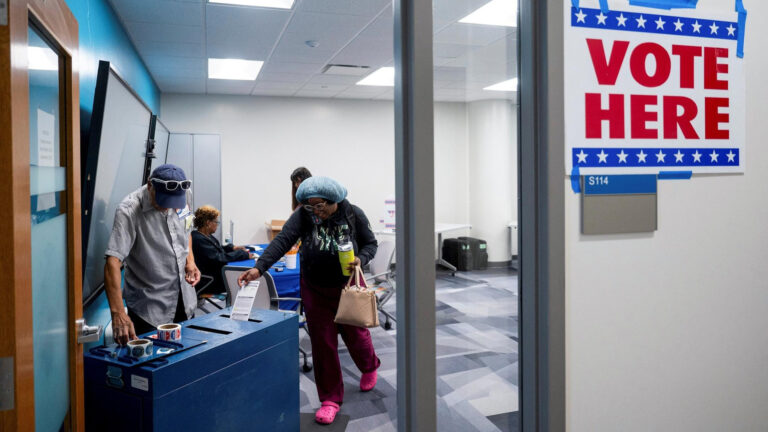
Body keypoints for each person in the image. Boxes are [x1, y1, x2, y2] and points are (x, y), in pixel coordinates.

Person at [238, 176, 379, 425]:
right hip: (315, 288)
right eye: (310, 205)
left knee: (356, 335)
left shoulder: (353, 214)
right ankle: (330, 399)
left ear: (334, 200)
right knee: (322, 343)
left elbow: (370, 244)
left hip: (348, 287)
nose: (316, 211)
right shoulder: (304, 215)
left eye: (321, 205)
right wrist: (259, 268)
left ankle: (369, 366)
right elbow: (282, 241)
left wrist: (361, 259)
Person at [104, 164, 201, 345]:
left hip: (184, 298)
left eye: (173, 203)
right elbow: (113, 261)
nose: (167, 208)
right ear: (150, 186)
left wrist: (190, 261)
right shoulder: (129, 210)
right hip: (149, 309)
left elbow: (187, 229)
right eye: (163, 202)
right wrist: (118, 313)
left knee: (186, 359)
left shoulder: (185, 195)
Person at [191, 205, 254, 295]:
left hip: (214, 277)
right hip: (211, 281)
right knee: (243, 279)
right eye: (216, 222)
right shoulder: (198, 239)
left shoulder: (204, 236)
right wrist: (242, 254)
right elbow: (218, 257)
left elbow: (217, 249)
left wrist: (232, 248)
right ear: (208, 223)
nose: (217, 225)